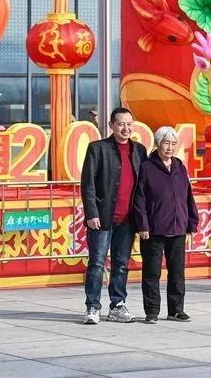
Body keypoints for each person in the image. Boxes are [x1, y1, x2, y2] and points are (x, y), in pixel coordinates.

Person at [80, 107, 148, 325]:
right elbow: (88, 184)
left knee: (121, 264)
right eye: (121, 124)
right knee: (97, 263)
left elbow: (143, 186)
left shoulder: (139, 150)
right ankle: (92, 306)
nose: (126, 128)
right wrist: (91, 212)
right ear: (111, 125)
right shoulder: (98, 149)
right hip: (102, 218)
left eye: (129, 124)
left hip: (128, 219)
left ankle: (117, 305)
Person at [133, 126, 199, 324]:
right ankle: (152, 311)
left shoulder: (180, 167)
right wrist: (143, 225)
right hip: (154, 230)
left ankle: (176, 310)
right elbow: (139, 199)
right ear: (158, 144)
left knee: (177, 272)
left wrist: (191, 223)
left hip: (178, 229)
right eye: (166, 143)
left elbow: (188, 197)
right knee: (152, 272)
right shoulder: (147, 167)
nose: (170, 148)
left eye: (173, 144)